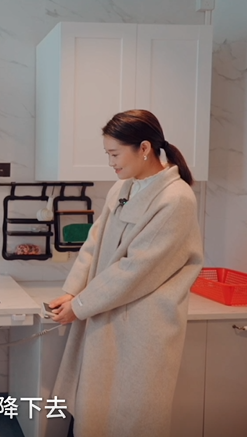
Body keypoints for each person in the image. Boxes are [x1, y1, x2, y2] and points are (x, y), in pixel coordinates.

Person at [48, 109, 204, 436]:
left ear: (144, 148)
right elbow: (94, 242)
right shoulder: (123, 188)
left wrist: (80, 305)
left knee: (130, 416)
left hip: (142, 325)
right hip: (106, 308)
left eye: (115, 154)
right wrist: (73, 292)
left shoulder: (177, 199)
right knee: (96, 412)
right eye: (108, 154)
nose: (111, 163)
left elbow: (136, 269)